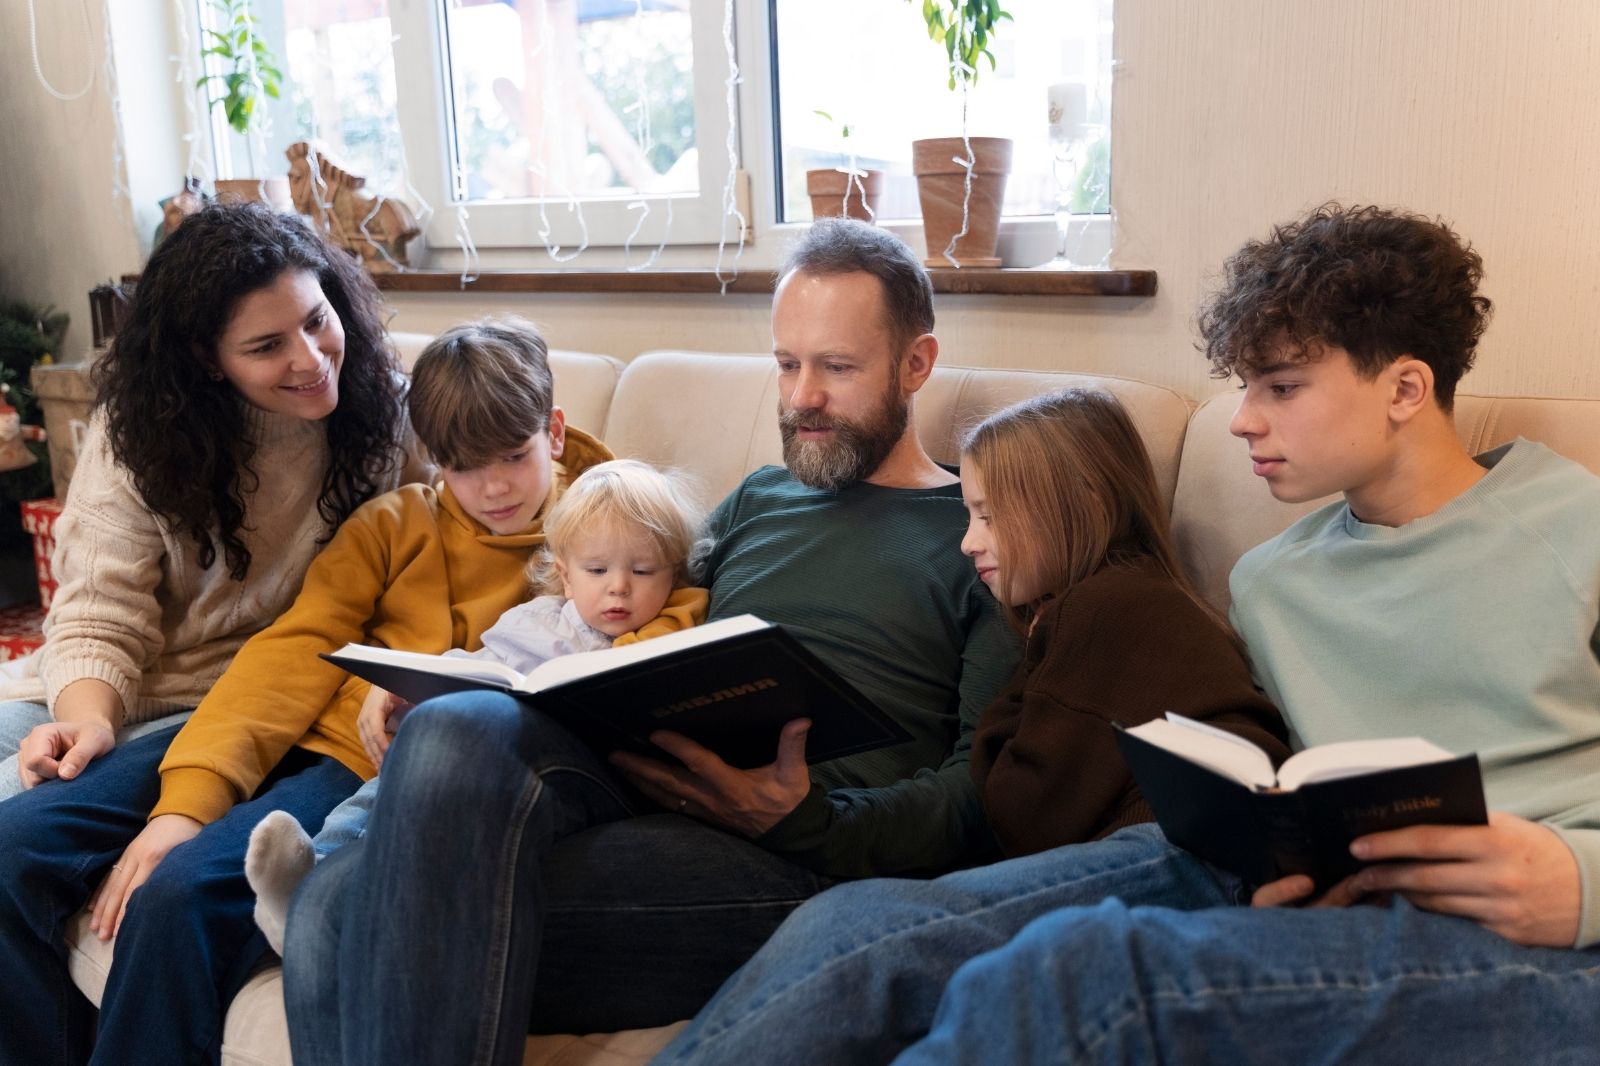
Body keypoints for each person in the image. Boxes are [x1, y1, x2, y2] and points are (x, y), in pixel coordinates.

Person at [650, 203, 1600, 1066]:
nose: (1243, 420)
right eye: (1243, 387)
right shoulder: (1272, 582)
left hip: (1545, 942)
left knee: (1085, 974)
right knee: (865, 927)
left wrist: (1581, 881)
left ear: (1404, 388)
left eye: (1280, 387)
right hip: (1323, 900)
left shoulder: (1579, 527)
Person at [280, 217, 1021, 1065]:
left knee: (339, 909)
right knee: (442, 739)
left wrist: (807, 820)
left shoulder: (977, 537)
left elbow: (982, 793)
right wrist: (442, 677)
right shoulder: (759, 500)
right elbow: (608, 599)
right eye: (786, 363)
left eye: (837, 368)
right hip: (635, 789)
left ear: (916, 365)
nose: (800, 397)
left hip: (790, 859)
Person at [0, 318, 613, 1066]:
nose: (490, 489)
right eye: (459, 466)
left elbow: (641, 651)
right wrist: (185, 805)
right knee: (12, 843)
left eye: (513, 458)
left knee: (178, 898)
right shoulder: (396, 521)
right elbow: (289, 654)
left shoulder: (608, 539)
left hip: (362, 769)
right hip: (271, 728)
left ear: (552, 431)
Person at [0, 201, 415, 800]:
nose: (311, 358)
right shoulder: (139, 434)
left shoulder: (388, 412)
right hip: (131, 691)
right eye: (267, 345)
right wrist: (87, 721)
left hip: (262, 700)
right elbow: (97, 614)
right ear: (206, 358)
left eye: (317, 319)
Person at [244, 457, 711, 952]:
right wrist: (413, 690)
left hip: (561, 779)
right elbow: (477, 665)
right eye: (597, 570)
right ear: (566, 576)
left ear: (673, 574)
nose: (619, 587)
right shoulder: (538, 620)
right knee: (390, 782)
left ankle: (323, 896)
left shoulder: (666, 627)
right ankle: (311, 869)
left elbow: (684, 618)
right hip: (481, 747)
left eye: (642, 570)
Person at [958, 387, 1287, 858]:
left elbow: (1022, 815)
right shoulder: (1140, 591)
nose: (969, 542)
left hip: (1182, 847)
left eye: (989, 516)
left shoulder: (1105, 607)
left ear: (1086, 502)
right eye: (970, 516)